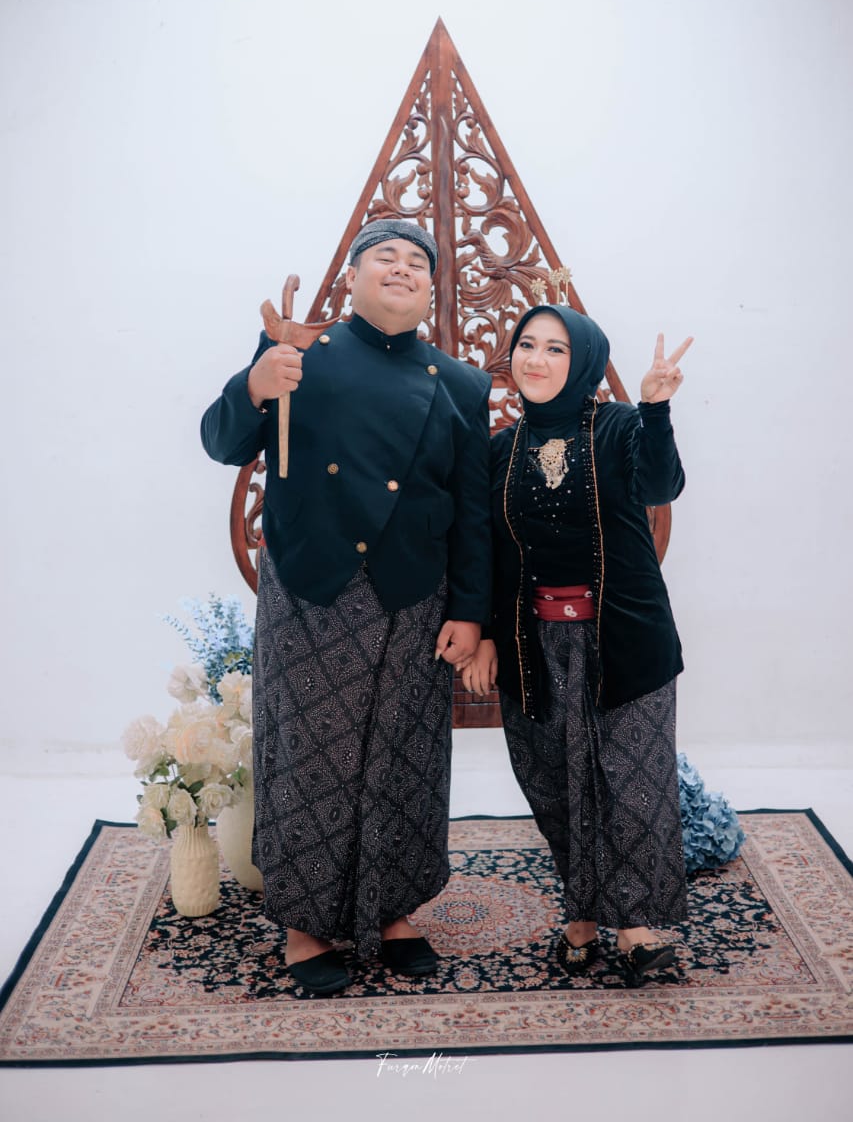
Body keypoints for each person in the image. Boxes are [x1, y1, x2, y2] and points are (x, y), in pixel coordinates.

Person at [201, 219, 491, 995]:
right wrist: (255, 384)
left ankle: (392, 912)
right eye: (383, 256)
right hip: (313, 587)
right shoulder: (298, 355)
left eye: (416, 262)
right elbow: (222, 442)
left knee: (405, 757)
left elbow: (473, 511)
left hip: (414, 594)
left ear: (431, 289)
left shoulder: (461, 383)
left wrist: (470, 611)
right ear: (354, 278)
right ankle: (304, 923)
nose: (401, 268)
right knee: (310, 758)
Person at [461, 304, 692, 984]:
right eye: (526, 345)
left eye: (555, 349)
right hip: (533, 641)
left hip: (623, 635)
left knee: (631, 781)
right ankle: (582, 914)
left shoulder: (618, 426)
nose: (535, 359)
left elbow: (660, 485)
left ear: (583, 361)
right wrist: (488, 638)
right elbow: (486, 551)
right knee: (554, 782)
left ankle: (636, 926)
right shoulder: (500, 449)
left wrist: (654, 407)